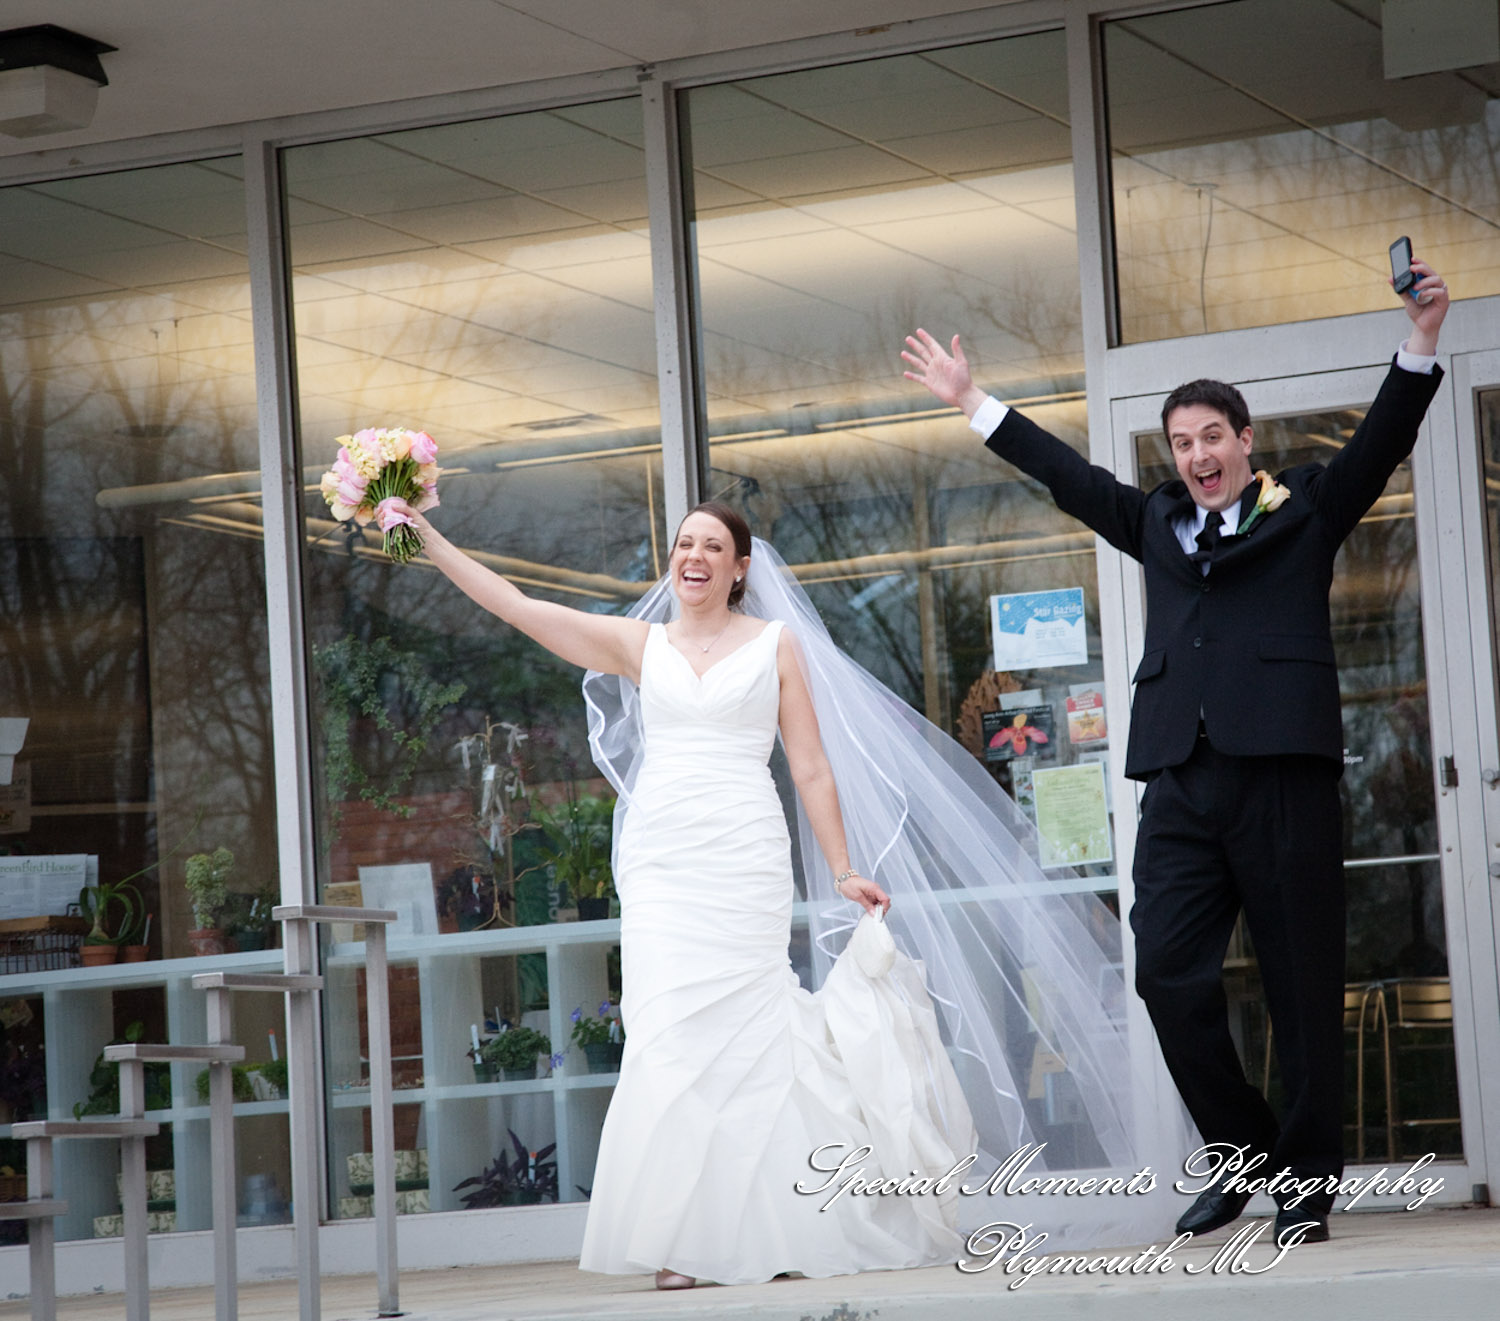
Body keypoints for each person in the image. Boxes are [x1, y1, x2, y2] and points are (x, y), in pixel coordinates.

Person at [383, 495, 1188, 1286]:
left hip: (744, 855)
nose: (692, 558)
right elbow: (521, 607)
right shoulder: (640, 644)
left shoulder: (775, 646)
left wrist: (841, 867)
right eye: (683, 544)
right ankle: (677, 1235)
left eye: (710, 548)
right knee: (666, 1035)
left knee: (748, 1035)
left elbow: (808, 764)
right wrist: (430, 540)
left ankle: (780, 1221)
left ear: (739, 569)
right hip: (662, 862)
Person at [902, 257, 1451, 1247]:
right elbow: (1069, 479)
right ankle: (1245, 1156)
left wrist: (1422, 340)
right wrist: (972, 401)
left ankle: (1305, 1187)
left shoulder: (1309, 509)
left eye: (1211, 439)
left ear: (1245, 443)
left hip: (1283, 772)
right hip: (1181, 780)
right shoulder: (1154, 518)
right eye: (1181, 442)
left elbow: (1384, 442)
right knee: (1167, 976)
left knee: (1299, 988)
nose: (1197, 455)